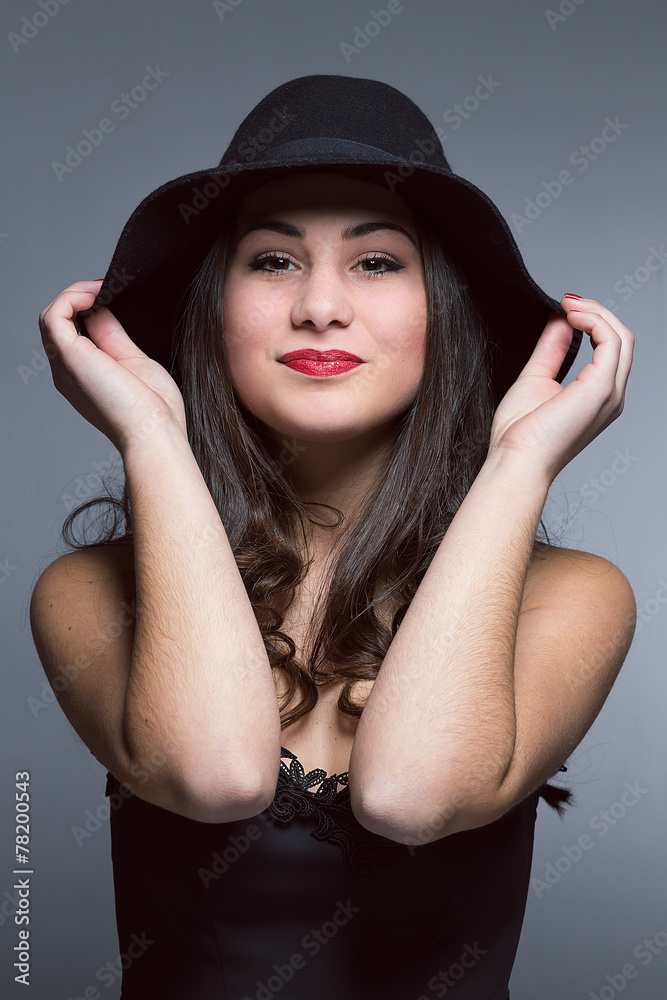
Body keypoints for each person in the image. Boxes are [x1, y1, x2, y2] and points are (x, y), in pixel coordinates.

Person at [30, 74, 637, 998]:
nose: (320, 305)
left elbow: (409, 797)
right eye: (273, 260)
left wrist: (517, 466)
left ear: (443, 308)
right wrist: (152, 439)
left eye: (377, 262)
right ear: (214, 308)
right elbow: (216, 776)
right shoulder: (87, 592)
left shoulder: (573, 597)